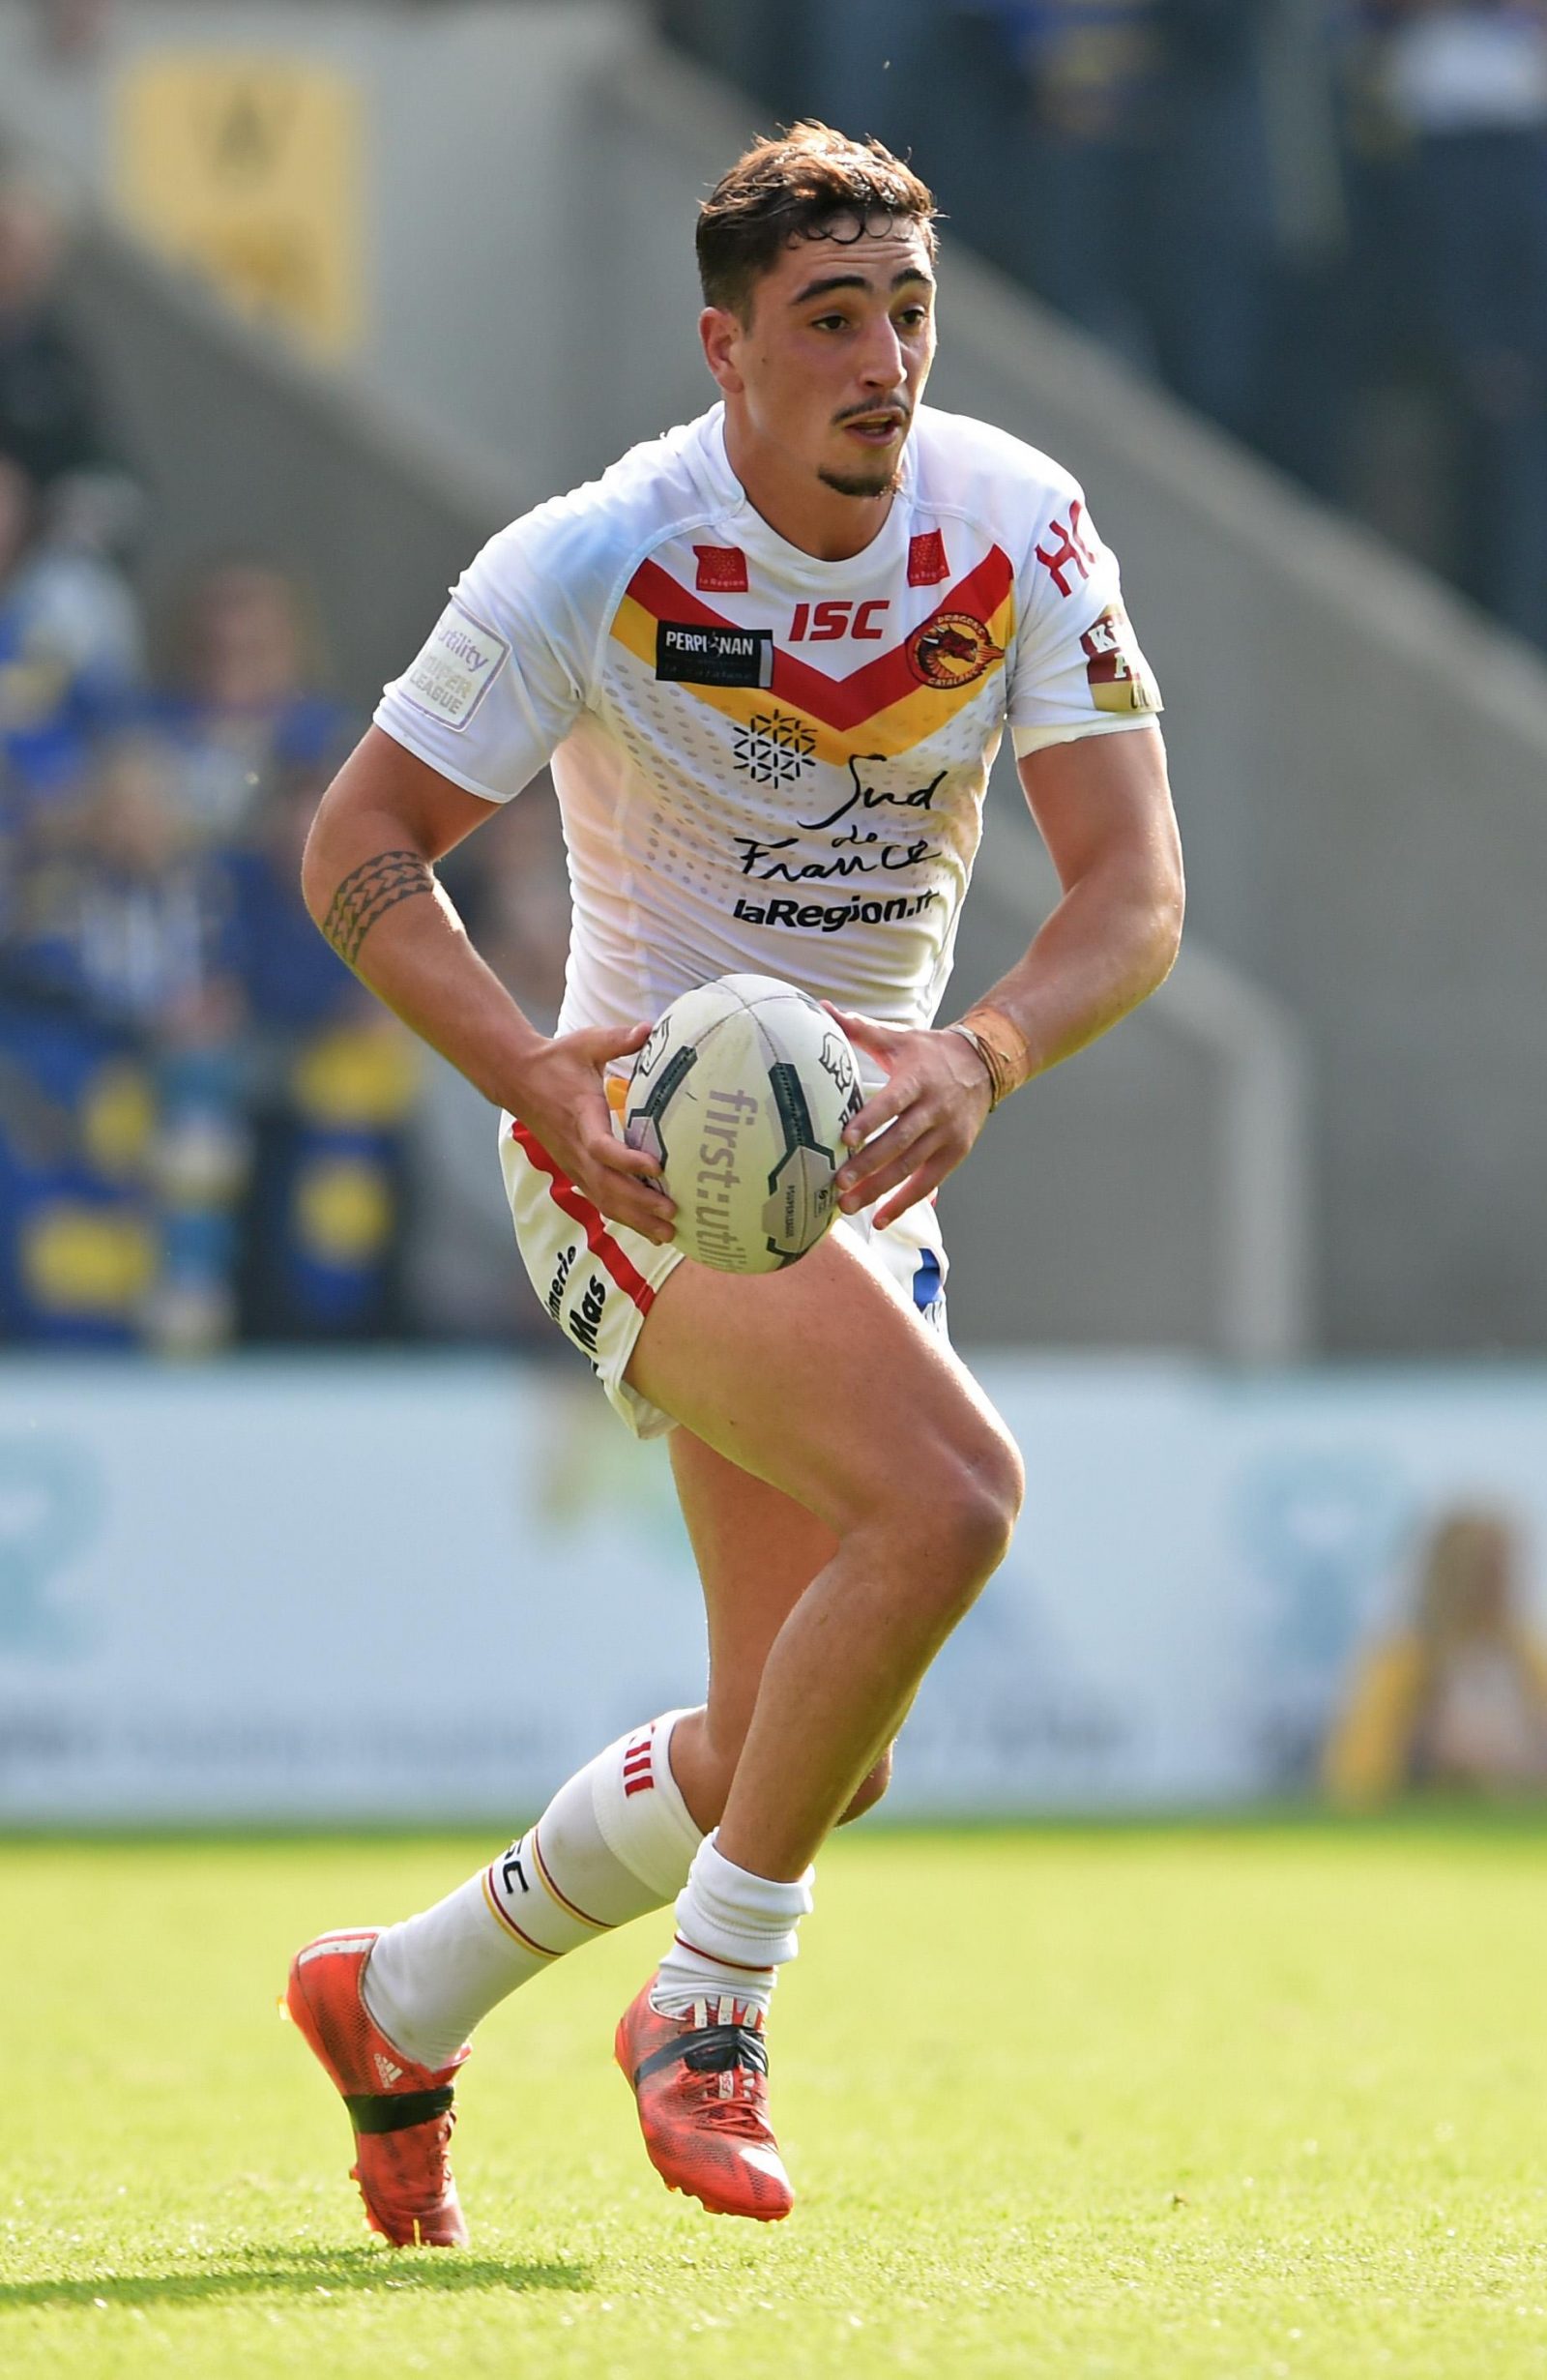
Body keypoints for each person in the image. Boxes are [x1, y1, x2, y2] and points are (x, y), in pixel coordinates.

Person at [282, 123, 1183, 2244]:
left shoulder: (1016, 525)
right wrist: (530, 1070)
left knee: (812, 1744)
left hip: (855, 1163)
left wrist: (980, 1050)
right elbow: (356, 843)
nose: (884, 361)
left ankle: (395, 1995)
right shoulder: (598, 555)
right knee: (953, 1501)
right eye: (831, 319)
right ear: (726, 349)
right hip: (642, 1156)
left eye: (908, 313)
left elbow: (1135, 892)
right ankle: (709, 2008)